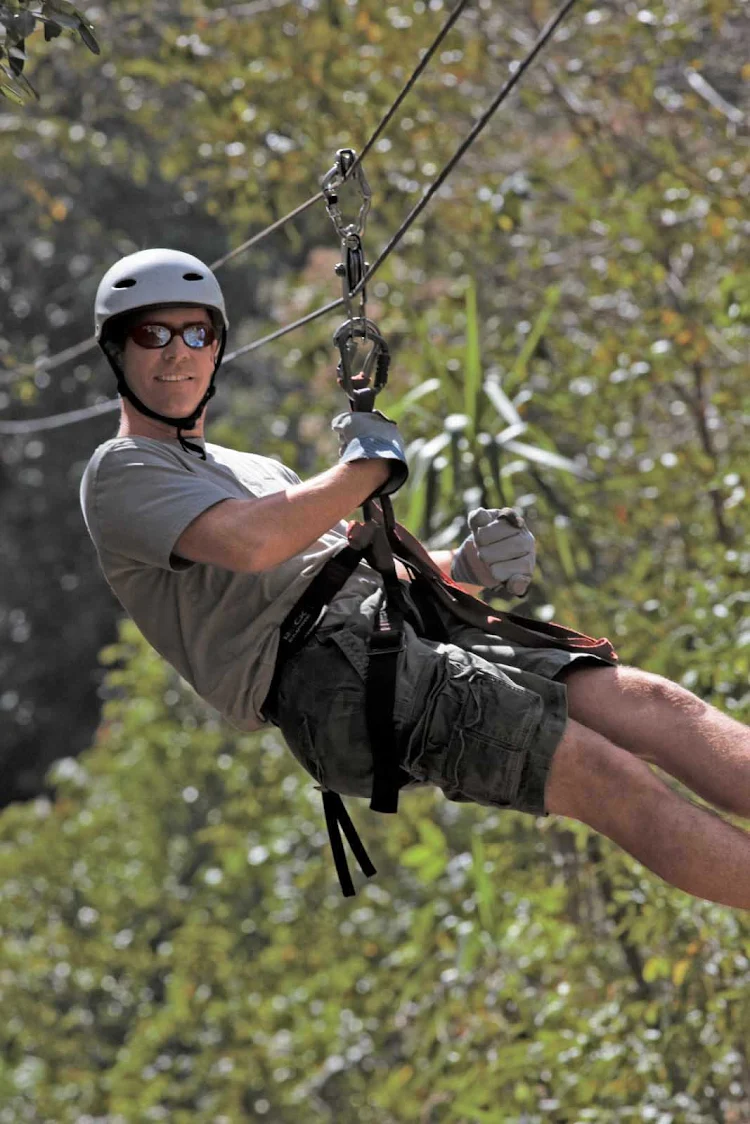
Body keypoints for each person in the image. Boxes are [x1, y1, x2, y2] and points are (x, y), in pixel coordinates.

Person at [81, 248, 750, 911]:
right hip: (329, 675)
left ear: (217, 347)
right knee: (607, 778)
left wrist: (465, 567)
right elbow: (253, 545)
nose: (178, 353)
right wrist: (365, 468)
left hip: (389, 630)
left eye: (196, 333)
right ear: (118, 352)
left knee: (654, 704)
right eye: (152, 335)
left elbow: (346, 568)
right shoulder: (122, 471)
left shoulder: (253, 471)